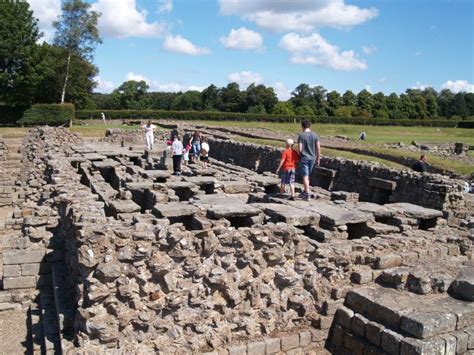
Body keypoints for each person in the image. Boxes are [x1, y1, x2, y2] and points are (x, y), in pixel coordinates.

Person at [298, 119, 320, 201]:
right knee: (307, 175)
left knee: (305, 176)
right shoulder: (315, 135)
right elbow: (318, 148)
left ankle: (307, 194)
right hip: (313, 158)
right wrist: (318, 158)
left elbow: (300, 149)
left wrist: (299, 155)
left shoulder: (301, 135)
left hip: (304, 158)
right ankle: (305, 191)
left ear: (303, 126)